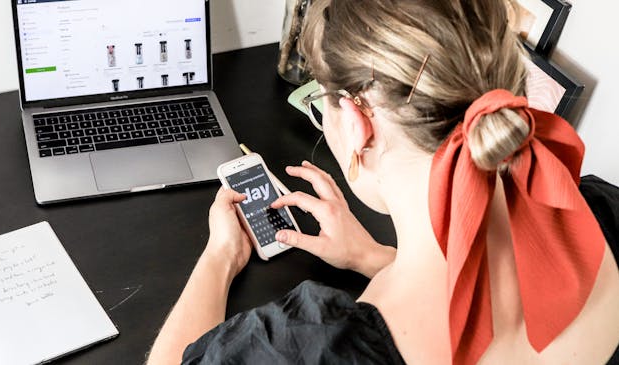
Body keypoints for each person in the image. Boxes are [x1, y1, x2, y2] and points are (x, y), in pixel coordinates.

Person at [147, 0, 619, 364]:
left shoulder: (308, 347)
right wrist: (373, 259)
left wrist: (222, 255)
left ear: (356, 123)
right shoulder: (600, 213)